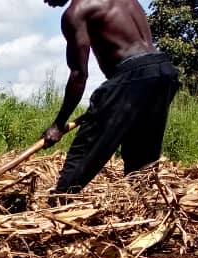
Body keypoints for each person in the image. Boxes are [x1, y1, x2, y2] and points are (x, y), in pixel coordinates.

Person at [42, 0, 179, 194]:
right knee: (142, 158)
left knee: (88, 144)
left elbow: (79, 74)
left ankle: (59, 200)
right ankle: (146, 205)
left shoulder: (77, 12)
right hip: (162, 71)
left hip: (133, 74)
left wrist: (58, 124)